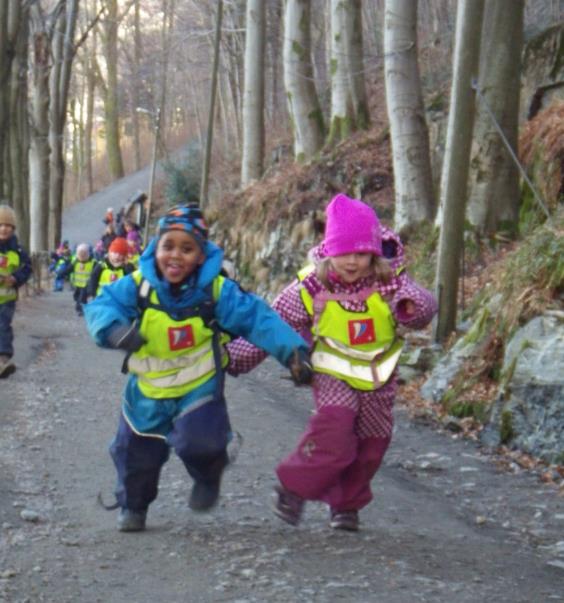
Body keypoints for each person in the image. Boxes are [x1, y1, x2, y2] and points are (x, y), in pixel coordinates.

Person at [83, 204, 312, 532]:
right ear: (155, 248)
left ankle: (209, 474)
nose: (175, 256)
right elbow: (103, 304)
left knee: (202, 442)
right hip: (147, 387)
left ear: (202, 255)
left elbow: (257, 318)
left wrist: (293, 352)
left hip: (198, 385)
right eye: (168, 246)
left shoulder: (216, 291)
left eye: (187, 248)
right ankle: (133, 504)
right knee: (135, 455)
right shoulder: (138, 285)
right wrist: (113, 330)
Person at [227, 194, 437, 531]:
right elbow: (273, 325)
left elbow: (424, 307)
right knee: (335, 428)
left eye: (360, 253)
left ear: (373, 251)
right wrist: (234, 358)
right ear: (328, 251)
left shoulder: (389, 281)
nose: (352, 262)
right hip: (331, 371)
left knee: (372, 444)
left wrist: (412, 308)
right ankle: (294, 488)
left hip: (378, 375)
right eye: (343, 253)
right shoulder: (310, 287)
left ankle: (346, 505)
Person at [0, 204, 32, 378]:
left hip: (6, 299)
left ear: (13, 229)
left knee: (3, 327)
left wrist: (15, 278)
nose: (3, 229)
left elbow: (27, 268)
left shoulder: (18, 250)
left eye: (7, 226)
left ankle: (2, 360)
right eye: (0, 225)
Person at [65, 243, 96, 316]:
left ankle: (80, 309)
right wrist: (62, 274)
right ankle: (82, 306)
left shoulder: (93, 262)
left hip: (86, 285)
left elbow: (96, 272)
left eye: (84, 254)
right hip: (77, 284)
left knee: (82, 298)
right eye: (80, 254)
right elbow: (69, 269)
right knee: (76, 296)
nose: (82, 256)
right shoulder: (75, 262)